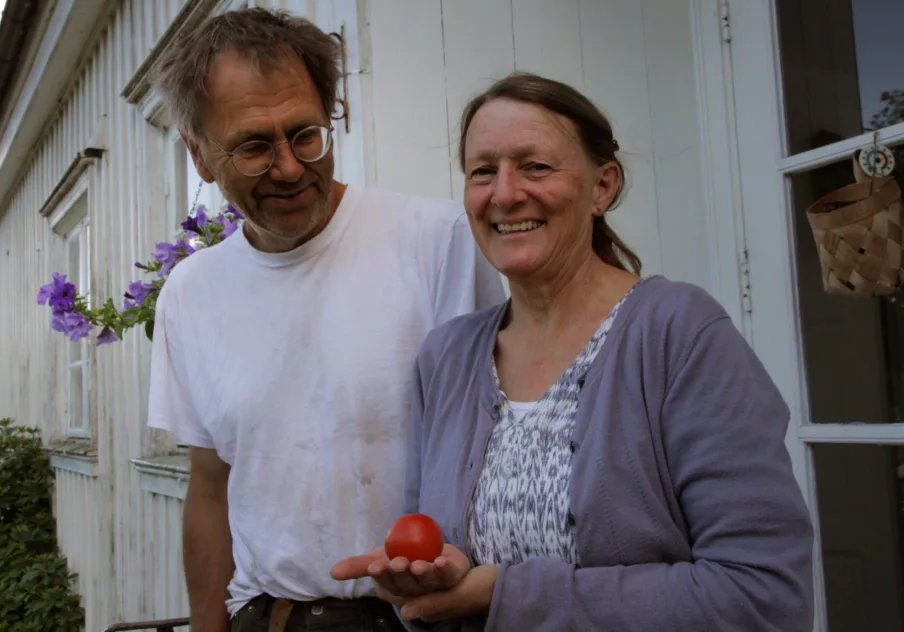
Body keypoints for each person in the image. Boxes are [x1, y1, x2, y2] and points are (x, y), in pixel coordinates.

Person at [331, 72, 815, 631]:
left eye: (535, 166)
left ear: (603, 187)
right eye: (483, 171)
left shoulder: (679, 334)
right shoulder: (447, 358)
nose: (506, 193)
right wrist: (434, 581)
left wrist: (507, 595)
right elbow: (441, 558)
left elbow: (762, 595)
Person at [146, 8, 505, 632]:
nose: (288, 167)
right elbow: (208, 486)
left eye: (306, 134)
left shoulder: (436, 239)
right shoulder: (190, 292)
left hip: (419, 619)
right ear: (200, 156)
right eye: (254, 146)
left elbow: (499, 440)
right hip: (271, 617)